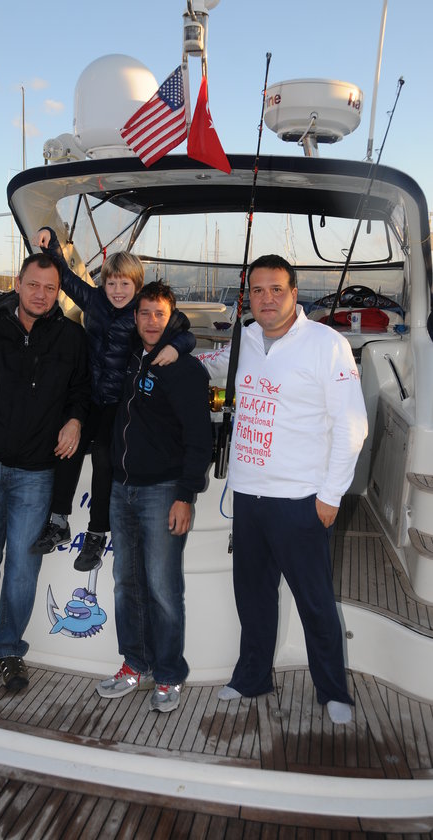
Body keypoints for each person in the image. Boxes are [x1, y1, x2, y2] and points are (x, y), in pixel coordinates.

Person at [197, 254, 368, 725]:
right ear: (248, 297)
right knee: (252, 598)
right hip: (248, 497)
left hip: (301, 500)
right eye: (257, 290)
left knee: (315, 603)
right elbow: (210, 366)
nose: (266, 299)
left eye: (276, 289)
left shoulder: (327, 345)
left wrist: (331, 495)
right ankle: (251, 677)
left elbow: (352, 426)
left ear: (295, 293)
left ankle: (333, 691)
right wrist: (170, 352)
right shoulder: (245, 339)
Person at [0, 253, 90, 692]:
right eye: (34, 285)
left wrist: (75, 420)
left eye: (50, 288)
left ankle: (9, 648)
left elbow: (81, 391)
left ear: (58, 291)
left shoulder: (72, 337)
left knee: (23, 568)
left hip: (36, 472)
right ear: (18, 283)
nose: (41, 295)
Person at [29, 227, 195, 572]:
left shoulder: (142, 311)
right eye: (111, 283)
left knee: (105, 455)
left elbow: (184, 330)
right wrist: (51, 242)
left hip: (121, 401)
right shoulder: (94, 301)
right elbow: (65, 276)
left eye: (125, 284)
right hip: (90, 394)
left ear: (137, 286)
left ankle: (96, 533)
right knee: (66, 444)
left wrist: (175, 348)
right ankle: (58, 520)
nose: (117, 291)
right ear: (103, 285)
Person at [96, 281, 213, 713]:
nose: (150, 322)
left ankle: (168, 674)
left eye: (158, 314)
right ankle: (135, 663)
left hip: (163, 491)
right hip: (122, 488)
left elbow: (200, 439)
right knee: (126, 584)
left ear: (171, 317)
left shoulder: (185, 370)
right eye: (143, 313)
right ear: (135, 316)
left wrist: (186, 494)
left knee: (163, 589)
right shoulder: (130, 356)